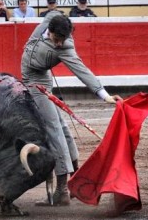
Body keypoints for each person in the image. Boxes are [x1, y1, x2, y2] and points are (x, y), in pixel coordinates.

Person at [21, 11, 122, 206]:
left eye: (63, 40)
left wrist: (104, 95)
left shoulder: (66, 46)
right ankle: (76, 176)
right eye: (57, 39)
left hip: (38, 86)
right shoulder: (49, 21)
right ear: (49, 31)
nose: (59, 43)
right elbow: (53, 13)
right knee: (61, 125)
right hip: (31, 80)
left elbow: (82, 71)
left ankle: (62, 189)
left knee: (54, 129)